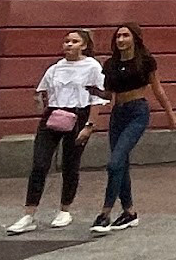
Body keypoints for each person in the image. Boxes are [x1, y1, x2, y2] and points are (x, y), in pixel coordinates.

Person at [6, 28, 106, 235]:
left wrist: (90, 125)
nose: (69, 45)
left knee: (71, 163)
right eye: (67, 41)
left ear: (84, 46)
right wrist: (39, 101)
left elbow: (97, 98)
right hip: (53, 115)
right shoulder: (55, 68)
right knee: (40, 164)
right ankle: (29, 213)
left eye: (74, 41)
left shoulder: (92, 67)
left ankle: (65, 209)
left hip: (78, 115)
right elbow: (42, 91)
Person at [92, 22, 176, 233]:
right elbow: (108, 93)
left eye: (125, 36)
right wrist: (89, 89)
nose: (121, 40)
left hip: (137, 112)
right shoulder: (110, 64)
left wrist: (170, 115)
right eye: (118, 37)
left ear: (135, 39)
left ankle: (105, 214)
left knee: (114, 163)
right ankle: (129, 212)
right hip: (118, 113)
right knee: (121, 163)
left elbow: (158, 89)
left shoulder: (145, 62)